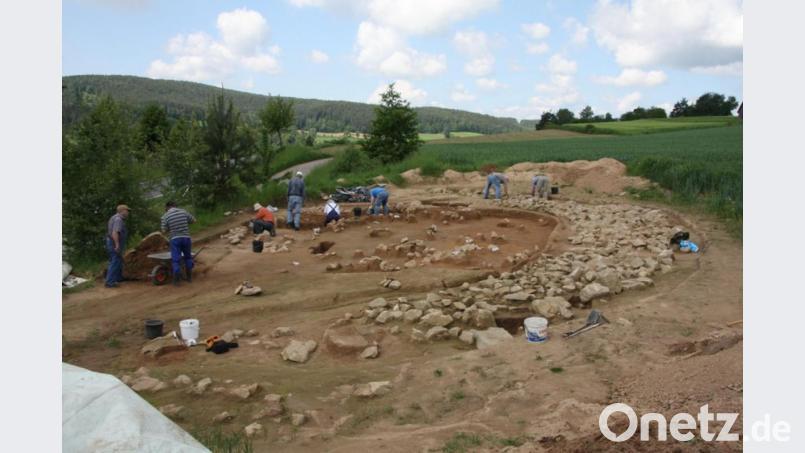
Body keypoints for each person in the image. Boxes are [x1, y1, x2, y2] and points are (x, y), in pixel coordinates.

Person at [161, 201, 196, 286]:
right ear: (175, 206)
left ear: (167, 207)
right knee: (188, 257)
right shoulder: (183, 212)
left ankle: (177, 278)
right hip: (186, 238)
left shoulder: (165, 216)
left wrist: (170, 228)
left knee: (176, 260)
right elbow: (194, 221)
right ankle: (189, 277)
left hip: (175, 239)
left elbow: (164, 230)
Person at [105, 204, 130, 288]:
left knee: (118, 260)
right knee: (115, 261)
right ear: (122, 211)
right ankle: (110, 282)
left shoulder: (114, 217)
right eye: (127, 210)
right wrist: (117, 245)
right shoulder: (118, 219)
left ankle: (118, 278)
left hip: (111, 242)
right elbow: (115, 232)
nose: (128, 212)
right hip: (113, 243)